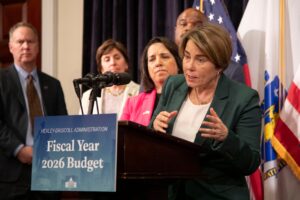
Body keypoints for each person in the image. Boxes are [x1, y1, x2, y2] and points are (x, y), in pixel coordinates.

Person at [150, 23, 261, 199]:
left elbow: (251, 163)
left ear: (219, 66)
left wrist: (226, 138)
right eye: (187, 57)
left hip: (217, 195)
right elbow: (151, 139)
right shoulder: (173, 84)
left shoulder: (244, 99)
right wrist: (154, 127)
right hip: (172, 194)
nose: (189, 66)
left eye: (200, 60)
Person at [0, 22, 68, 199]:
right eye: (20, 41)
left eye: (30, 41)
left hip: (49, 171)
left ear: (38, 47)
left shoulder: (53, 85)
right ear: (10, 47)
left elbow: (63, 125)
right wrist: (19, 149)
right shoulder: (1, 80)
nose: (25, 46)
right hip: (11, 174)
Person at [120, 37, 182, 126]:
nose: (158, 63)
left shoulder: (191, 95)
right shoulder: (132, 103)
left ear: (178, 63)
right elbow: (121, 136)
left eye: (164, 57)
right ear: (147, 69)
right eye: (152, 59)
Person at [175, 7, 246, 84]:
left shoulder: (232, 70)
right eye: (183, 24)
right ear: (175, 29)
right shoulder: (171, 78)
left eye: (197, 25)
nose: (188, 28)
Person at [80, 39, 140, 118]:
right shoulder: (88, 96)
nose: (112, 63)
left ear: (126, 64)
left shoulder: (140, 92)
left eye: (117, 58)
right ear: (101, 68)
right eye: (107, 59)